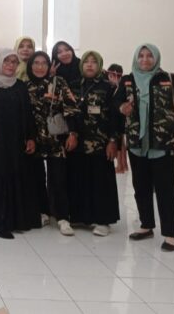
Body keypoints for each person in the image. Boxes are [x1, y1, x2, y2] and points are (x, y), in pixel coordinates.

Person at [114, 44, 174, 251]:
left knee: (165, 189)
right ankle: (146, 225)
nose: (145, 59)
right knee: (141, 187)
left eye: (149, 56)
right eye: (141, 56)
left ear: (156, 58)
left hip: (163, 143)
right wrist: (122, 107)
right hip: (137, 144)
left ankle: (170, 234)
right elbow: (115, 103)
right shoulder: (127, 80)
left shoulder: (170, 79)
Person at [0, 48, 39, 239]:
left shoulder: (19, 86)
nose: (10, 65)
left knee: (14, 176)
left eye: (14, 62)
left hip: (15, 141)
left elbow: (27, 114)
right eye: (6, 61)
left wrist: (30, 137)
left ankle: (15, 219)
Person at [25, 50, 80, 235]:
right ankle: (43, 212)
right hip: (35, 140)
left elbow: (71, 108)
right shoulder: (25, 86)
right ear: (30, 66)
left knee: (58, 179)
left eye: (44, 63)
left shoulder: (59, 82)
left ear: (49, 66)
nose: (40, 67)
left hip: (57, 140)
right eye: (36, 63)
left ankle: (63, 217)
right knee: (36, 177)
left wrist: (73, 133)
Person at [68, 50, 121, 236]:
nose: (89, 65)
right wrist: (72, 133)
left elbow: (115, 117)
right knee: (79, 179)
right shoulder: (74, 86)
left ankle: (103, 220)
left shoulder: (108, 87)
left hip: (101, 144)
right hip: (78, 143)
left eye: (94, 62)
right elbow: (69, 112)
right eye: (86, 61)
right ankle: (81, 216)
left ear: (99, 65)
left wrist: (113, 141)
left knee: (101, 182)